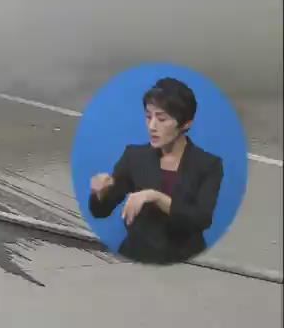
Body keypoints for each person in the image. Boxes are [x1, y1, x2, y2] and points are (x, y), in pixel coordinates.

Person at [87, 77, 224, 264]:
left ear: (186, 123)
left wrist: (155, 196)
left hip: (186, 262)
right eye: (148, 116)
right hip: (137, 257)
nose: (152, 126)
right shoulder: (134, 157)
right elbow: (102, 210)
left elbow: (200, 219)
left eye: (161, 119)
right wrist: (99, 192)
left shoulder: (208, 165)